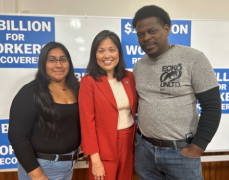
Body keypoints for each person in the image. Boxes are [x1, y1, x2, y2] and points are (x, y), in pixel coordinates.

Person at [132, 5, 221, 180]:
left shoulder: (194, 59)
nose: (146, 38)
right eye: (140, 35)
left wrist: (197, 147)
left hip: (181, 152)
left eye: (152, 31)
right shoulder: (139, 66)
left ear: (166, 29)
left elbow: (212, 106)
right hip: (145, 151)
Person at [8, 42, 81, 180]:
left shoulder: (77, 89)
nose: (58, 65)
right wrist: (39, 177)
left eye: (63, 59)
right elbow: (17, 137)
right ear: (43, 63)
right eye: (52, 60)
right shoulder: (30, 92)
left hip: (68, 166)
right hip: (41, 168)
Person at [79, 30, 137, 180]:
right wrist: (95, 160)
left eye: (112, 50)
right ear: (94, 55)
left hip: (129, 144)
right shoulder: (88, 82)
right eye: (101, 51)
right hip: (103, 149)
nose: (107, 55)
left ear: (119, 52)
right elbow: (87, 123)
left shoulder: (129, 77)